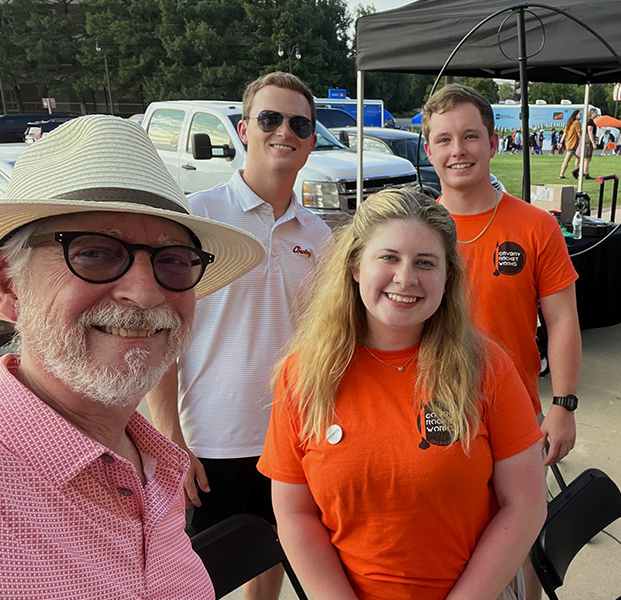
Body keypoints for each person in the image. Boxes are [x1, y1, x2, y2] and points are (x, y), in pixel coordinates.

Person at [0, 115, 265, 598]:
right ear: (11, 286)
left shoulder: (154, 464)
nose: (145, 293)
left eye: (173, 259)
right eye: (93, 253)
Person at [258, 188, 547, 599]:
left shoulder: (488, 369)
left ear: (448, 278)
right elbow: (293, 512)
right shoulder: (304, 375)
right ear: (356, 265)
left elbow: (526, 504)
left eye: (425, 263)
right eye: (389, 257)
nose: (405, 278)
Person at [147, 72, 331, 600]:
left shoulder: (317, 237)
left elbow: (319, 343)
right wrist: (170, 443)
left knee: (270, 553)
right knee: (199, 580)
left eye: (300, 123)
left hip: (291, 439)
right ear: (244, 129)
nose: (285, 132)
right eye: (270, 119)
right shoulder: (198, 219)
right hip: (209, 441)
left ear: (312, 140)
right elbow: (163, 338)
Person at [422, 83, 581, 600]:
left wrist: (563, 404)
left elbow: (562, 321)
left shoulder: (535, 226)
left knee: (520, 542)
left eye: (470, 136)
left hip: (514, 416)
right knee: (444, 547)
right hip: (431, 411)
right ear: (428, 149)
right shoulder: (415, 229)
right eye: (443, 139)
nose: (457, 150)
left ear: (493, 141)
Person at [575, 108, 599, 180]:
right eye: (595, 112)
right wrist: (593, 143)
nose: (597, 114)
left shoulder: (586, 121)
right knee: (587, 158)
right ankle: (586, 173)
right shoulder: (590, 122)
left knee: (582, 157)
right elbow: (590, 132)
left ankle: (579, 171)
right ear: (592, 113)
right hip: (587, 142)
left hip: (584, 141)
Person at [557, 109, 581, 179]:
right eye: (580, 114)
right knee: (567, 160)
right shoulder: (577, 123)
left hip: (569, 144)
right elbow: (579, 133)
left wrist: (561, 142)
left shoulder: (569, 123)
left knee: (579, 158)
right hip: (573, 145)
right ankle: (561, 174)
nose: (581, 116)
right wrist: (583, 141)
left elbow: (564, 133)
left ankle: (576, 171)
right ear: (576, 115)